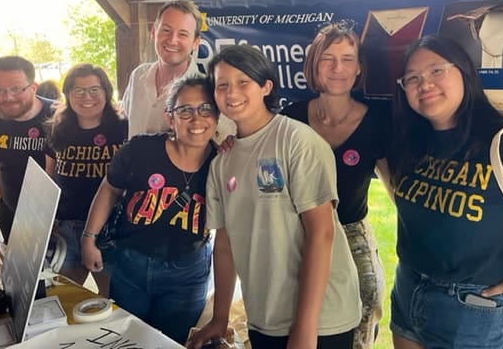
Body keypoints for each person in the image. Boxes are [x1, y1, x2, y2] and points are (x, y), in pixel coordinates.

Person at [385, 34, 503, 349]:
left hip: (475, 310)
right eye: (412, 78)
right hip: (408, 288)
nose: (424, 83)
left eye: (437, 70)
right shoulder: (411, 143)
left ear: (465, 72)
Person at [187, 44, 362, 349]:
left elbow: (321, 232)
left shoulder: (298, 141)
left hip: (321, 319)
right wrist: (220, 316)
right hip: (264, 315)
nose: (232, 93)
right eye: (222, 85)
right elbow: (224, 244)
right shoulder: (221, 162)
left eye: (244, 82)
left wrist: (306, 328)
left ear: (266, 86)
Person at [82, 74, 218, 344]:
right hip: (131, 264)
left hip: (187, 274)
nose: (196, 119)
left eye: (206, 109)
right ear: (170, 118)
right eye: (185, 110)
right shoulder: (140, 150)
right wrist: (89, 237)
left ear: (217, 116)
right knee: (126, 339)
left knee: (172, 342)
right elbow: (110, 189)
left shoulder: (224, 162)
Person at [281, 21, 389, 349]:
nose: (337, 67)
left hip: (350, 234)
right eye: (328, 58)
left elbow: (396, 189)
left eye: (347, 58)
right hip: (295, 236)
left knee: (363, 313)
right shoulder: (292, 117)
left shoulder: (376, 122)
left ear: (359, 69)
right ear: (314, 66)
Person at [44, 63, 127, 297]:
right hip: (67, 228)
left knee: (112, 300)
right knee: (63, 298)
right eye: (78, 90)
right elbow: (50, 177)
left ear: (106, 92)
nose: (86, 97)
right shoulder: (56, 129)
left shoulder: (123, 128)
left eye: (94, 89)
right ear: (68, 94)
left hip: (111, 229)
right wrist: (48, 220)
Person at [120, 0, 234, 141]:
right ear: (154, 32)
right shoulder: (137, 76)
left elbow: (225, 142)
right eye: (166, 30)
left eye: (183, 34)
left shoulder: (209, 91)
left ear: (196, 42)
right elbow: (123, 115)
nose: (173, 40)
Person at [0, 56, 54, 243]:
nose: (8, 97)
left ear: (33, 87)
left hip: (51, 214)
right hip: (9, 206)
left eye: (16, 89)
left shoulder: (56, 116)